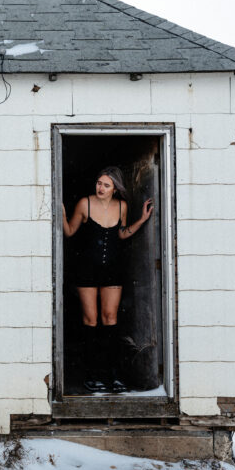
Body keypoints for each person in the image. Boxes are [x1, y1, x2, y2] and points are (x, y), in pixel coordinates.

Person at [62, 167, 153, 394]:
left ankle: (112, 375)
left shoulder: (122, 206)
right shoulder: (85, 203)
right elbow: (70, 231)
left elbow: (121, 233)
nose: (100, 188)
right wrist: (61, 214)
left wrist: (141, 220)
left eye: (106, 185)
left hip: (113, 270)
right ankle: (92, 376)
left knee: (110, 320)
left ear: (115, 188)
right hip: (87, 271)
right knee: (91, 322)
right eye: (98, 183)